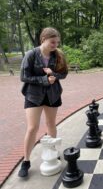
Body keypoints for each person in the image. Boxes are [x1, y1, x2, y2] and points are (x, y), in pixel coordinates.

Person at [18, 27, 68, 178]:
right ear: (43, 39)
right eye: (52, 42)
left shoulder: (58, 55)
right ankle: (26, 161)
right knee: (32, 128)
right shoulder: (31, 54)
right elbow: (24, 77)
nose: (55, 45)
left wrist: (53, 74)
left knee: (51, 124)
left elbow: (64, 73)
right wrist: (44, 80)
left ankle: (52, 153)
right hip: (33, 95)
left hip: (52, 95)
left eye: (57, 42)